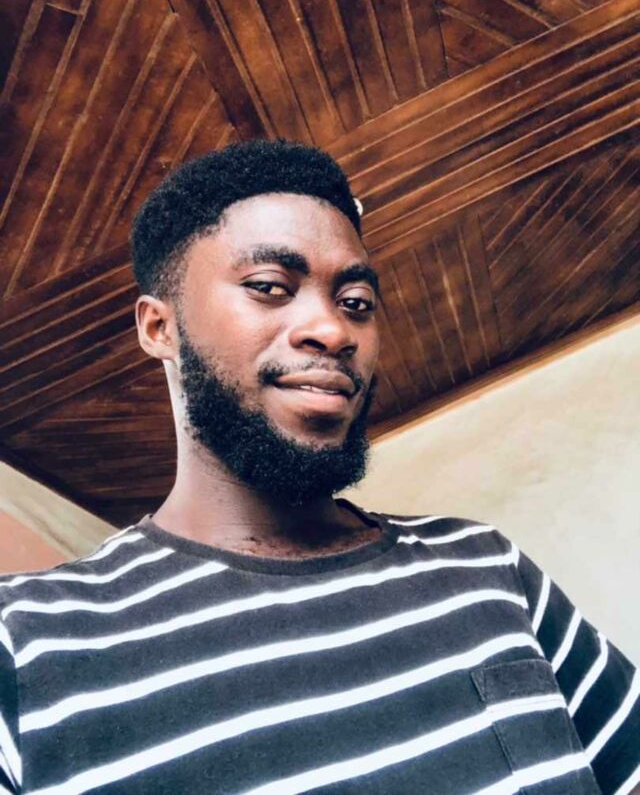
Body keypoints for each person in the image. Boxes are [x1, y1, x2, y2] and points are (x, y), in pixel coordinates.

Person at [0, 140, 637, 794]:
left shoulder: (485, 565)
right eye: (270, 288)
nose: (332, 330)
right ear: (159, 328)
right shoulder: (26, 641)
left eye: (356, 301)